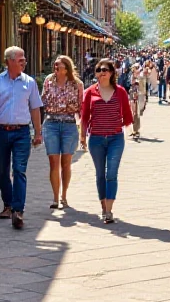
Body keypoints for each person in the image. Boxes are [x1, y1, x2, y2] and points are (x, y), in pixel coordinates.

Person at [0, 46, 43, 230]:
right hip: (1, 132)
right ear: (9, 61)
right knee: (3, 171)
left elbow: (35, 108)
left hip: (22, 132)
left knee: (19, 170)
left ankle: (18, 210)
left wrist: (38, 132)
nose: (24, 61)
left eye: (24, 59)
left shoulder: (29, 83)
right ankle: (7, 205)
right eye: (20, 59)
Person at [81, 59, 133, 224]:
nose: (101, 73)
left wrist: (119, 126)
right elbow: (84, 116)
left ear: (111, 73)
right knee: (100, 174)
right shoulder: (89, 92)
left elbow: (127, 115)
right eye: (98, 70)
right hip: (95, 139)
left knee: (111, 172)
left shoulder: (120, 92)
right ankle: (103, 206)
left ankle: (109, 210)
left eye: (104, 70)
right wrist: (82, 136)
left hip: (115, 138)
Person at [41, 55, 84, 209]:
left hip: (69, 124)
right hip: (51, 122)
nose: (56, 68)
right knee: (53, 162)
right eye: (55, 65)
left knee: (66, 163)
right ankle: (55, 198)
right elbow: (43, 100)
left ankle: (64, 195)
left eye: (59, 66)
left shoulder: (76, 84)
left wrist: (83, 130)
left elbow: (81, 107)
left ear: (66, 69)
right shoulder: (48, 80)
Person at [129, 64, 147, 140]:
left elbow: (144, 87)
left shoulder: (141, 77)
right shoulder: (131, 76)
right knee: (133, 113)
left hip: (139, 96)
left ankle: (136, 130)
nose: (135, 70)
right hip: (132, 96)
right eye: (134, 68)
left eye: (137, 68)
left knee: (137, 114)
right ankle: (133, 130)